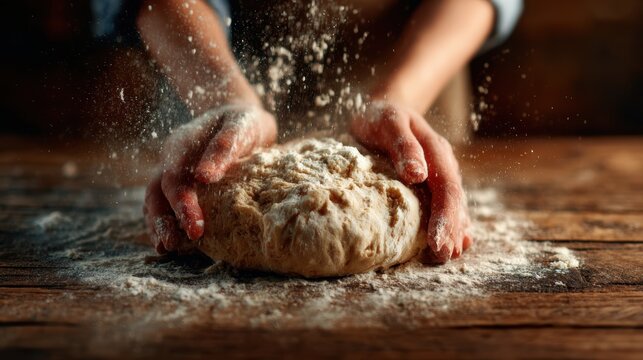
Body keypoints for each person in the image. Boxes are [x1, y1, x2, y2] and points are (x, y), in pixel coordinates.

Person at [129, 0, 522, 263]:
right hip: (210, 73)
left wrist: (400, 96)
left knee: (413, 170)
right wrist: (220, 96)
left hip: (410, 78)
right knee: (208, 182)